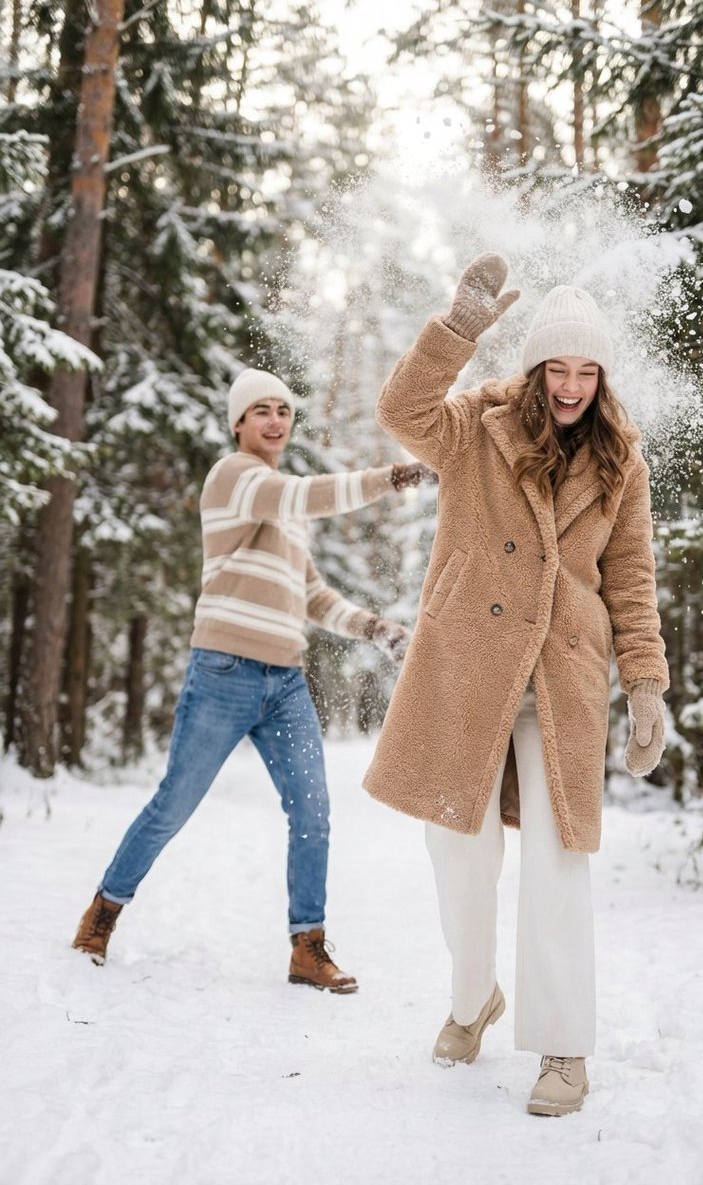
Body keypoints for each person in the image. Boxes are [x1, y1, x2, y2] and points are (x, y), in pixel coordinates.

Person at [363, 254, 668, 1112]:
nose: (570, 385)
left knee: (556, 860)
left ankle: (563, 1049)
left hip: (562, 679)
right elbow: (400, 409)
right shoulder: (474, 429)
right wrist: (456, 330)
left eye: (587, 370)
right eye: (556, 368)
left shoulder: (620, 462)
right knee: (457, 850)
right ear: (533, 369)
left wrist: (644, 682)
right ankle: (473, 1001)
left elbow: (632, 577)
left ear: (601, 377)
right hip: (467, 668)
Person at [73, 367, 431, 992]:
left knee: (314, 811)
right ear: (238, 423)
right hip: (224, 672)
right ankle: (103, 912)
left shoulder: (284, 511)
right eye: (260, 411)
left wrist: (378, 629)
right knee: (173, 807)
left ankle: (308, 946)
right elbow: (301, 495)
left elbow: (313, 595)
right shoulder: (235, 477)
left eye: (283, 411)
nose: (274, 421)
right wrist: (391, 477)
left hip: (285, 684)